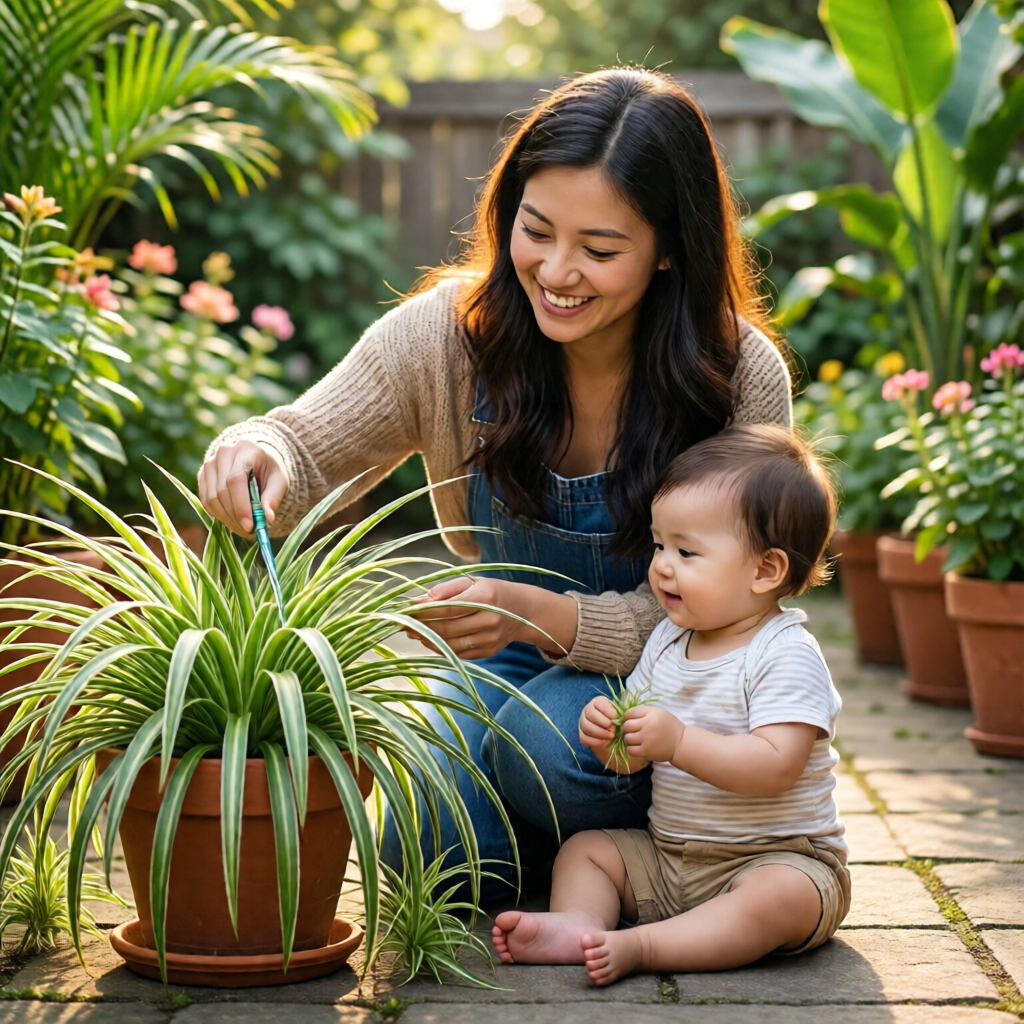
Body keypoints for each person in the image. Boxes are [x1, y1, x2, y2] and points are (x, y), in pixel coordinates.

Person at [197, 68, 794, 898]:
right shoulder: (448, 337)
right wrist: (255, 450)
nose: (556, 271)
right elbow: (305, 441)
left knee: (552, 753)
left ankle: (653, 856)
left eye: (600, 250)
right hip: (502, 659)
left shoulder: (734, 376)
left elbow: (744, 606)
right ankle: (580, 863)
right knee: (422, 839)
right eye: (536, 230)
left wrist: (543, 613)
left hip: (679, 675)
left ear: (668, 250)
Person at [491, 424, 850, 982]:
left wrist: (678, 741)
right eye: (659, 545)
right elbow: (633, 759)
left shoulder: (785, 653)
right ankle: (579, 924)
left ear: (765, 570)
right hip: (669, 857)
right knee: (587, 851)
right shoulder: (666, 640)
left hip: (773, 857)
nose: (661, 565)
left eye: (686, 551)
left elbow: (776, 766)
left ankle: (645, 946)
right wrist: (612, 741)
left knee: (780, 897)